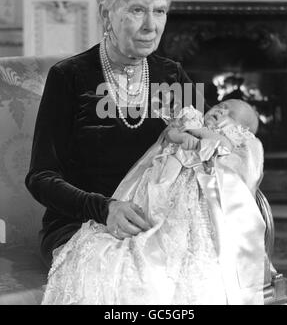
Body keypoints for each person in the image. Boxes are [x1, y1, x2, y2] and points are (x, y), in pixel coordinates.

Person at [25, 0, 211, 270]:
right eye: (137, 10)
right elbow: (41, 178)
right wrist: (104, 208)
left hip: (156, 226)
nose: (151, 26)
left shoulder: (172, 75)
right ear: (106, 11)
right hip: (82, 226)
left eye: (160, 11)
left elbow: (205, 148)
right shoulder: (70, 77)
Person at [41, 99, 266, 305]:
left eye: (230, 113)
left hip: (192, 194)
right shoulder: (191, 117)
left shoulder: (232, 140)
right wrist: (182, 135)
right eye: (221, 105)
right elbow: (170, 134)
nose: (220, 110)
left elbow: (226, 156)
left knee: (188, 234)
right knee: (145, 218)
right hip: (159, 184)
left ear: (240, 129)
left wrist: (201, 137)